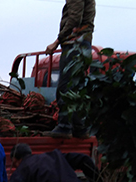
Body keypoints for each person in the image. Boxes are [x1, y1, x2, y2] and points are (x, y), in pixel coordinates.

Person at [45, 0, 96, 138]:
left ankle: (64, 126)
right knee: (76, 86)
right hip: (83, 43)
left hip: (74, 43)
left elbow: (74, 18)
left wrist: (57, 41)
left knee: (65, 87)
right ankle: (79, 128)